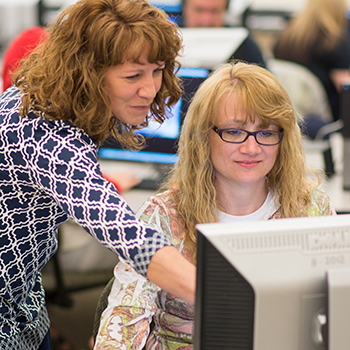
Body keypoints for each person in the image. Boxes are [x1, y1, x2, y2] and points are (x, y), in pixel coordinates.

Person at [93, 61, 336, 350]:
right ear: (203, 136)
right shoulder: (163, 216)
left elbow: (333, 312)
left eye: (267, 132)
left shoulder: (310, 209)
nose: (251, 148)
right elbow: (124, 317)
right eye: (234, 131)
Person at [0, 0, 197, 349]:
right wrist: (230, 298)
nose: (151, 89)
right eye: (133, 75)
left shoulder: (43, 98)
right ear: (87, 74)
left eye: (157, 70)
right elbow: (129, 235)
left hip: (24, 296)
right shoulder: (46, 134)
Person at [274, 0, 350, 122]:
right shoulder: (335, 44)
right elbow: (345, 90)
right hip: (323, 118)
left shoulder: (285, 39)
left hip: (286, 112)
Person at [178, 0, 266, 68]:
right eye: (199, 10)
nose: (206, 20)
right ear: (185, 8)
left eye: (214, 11)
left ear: (225, 10)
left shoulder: (243, 44)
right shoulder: (169, 39)